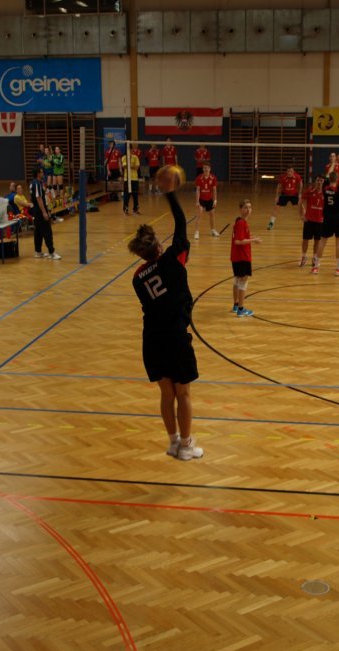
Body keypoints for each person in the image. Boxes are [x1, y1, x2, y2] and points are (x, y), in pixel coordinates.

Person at [128, 177, 203, 461]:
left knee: (166, 393)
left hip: (151, 339)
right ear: (159, 245)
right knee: (183, 393)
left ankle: (172, 443)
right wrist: (170, 193)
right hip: (175, 337)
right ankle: (186, 446)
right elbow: (181, 223)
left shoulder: (137, 278)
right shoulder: (174, 259)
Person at [315, 172, 339, 275]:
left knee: (322, 242)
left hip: (327, 218)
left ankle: (316, 267)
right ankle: (338, 269)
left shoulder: (325, 188)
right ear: (337, 179)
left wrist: (333, 164)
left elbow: (327, 175)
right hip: (338, 219)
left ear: (328, 179)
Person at [231, 199, 261, 317]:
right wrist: (253, 240)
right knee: (243, 282)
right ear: (240, 209)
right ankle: (241, 309)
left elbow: (241, 237)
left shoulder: (239, 221)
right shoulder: (241, 223)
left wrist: (251, 238)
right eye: (245, 207)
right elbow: (238, 241)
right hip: (242, 257)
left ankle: (235, 305)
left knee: (237, 281)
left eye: (249, 207)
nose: (248, 210)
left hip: (237, 257)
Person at [29, 166, 61, 260]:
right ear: (38, 174)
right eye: (42, 172)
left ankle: (38, 252)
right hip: (40, 211)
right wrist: (44, 212)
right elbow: (39, 198)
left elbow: (31, 197)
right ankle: (51, 252)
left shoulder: (32, 183)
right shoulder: (37, 184)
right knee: (47, 230)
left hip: (35, 210)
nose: (43, 173)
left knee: (38, 231)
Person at [299, 175, 325, 269]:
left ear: (323, 182)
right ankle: (303, 256)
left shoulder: (325, 193)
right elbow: (300, 202)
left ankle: (314, 257)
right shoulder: (309, 191)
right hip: (309, 220)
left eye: (321, 181)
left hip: (319, 221)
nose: (319, 182)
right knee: (305, 239)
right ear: (315, 181)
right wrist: (302, 215)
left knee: (317, 240)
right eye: (318, 180)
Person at [267, 166, 303, 230]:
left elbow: (300, 184)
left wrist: (300, 194)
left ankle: (306, 222)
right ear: (286, 172)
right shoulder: (283, 177)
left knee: (301, 207)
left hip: (294, 194)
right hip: (284, 194)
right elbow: (279, 186)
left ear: (293, 171)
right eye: (288, 171)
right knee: (276, 207)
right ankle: (271, 223)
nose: (289, 173)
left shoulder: (297, 176)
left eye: (291, 171)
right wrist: (277, 196)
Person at [193, 164, 218, 240]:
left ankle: (212, 230)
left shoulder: (213, 178)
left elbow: (214, 190)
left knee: (212, 215)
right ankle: (196, 232)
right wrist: (197, 201)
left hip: (209, 199)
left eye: (207, 168)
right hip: (201, 199)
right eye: (205, 168)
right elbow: (197, 190)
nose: (206, 169)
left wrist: (215, 200)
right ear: (203, 169)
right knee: (199, 215)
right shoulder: (199, 178)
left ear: (210, 169)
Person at [121, 147, 141, 215]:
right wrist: (132, 165)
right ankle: (125, 209)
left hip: (134, 178)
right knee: (127, 195)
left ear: (132, 150)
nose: (129, 151)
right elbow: (124, 166)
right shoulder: (124, 157)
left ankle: (135, 209)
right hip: (127, 179)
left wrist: (129, 165)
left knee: (135, 195)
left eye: (130, 149)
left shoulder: (135, 157)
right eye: (128, 149)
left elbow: (137, 167)